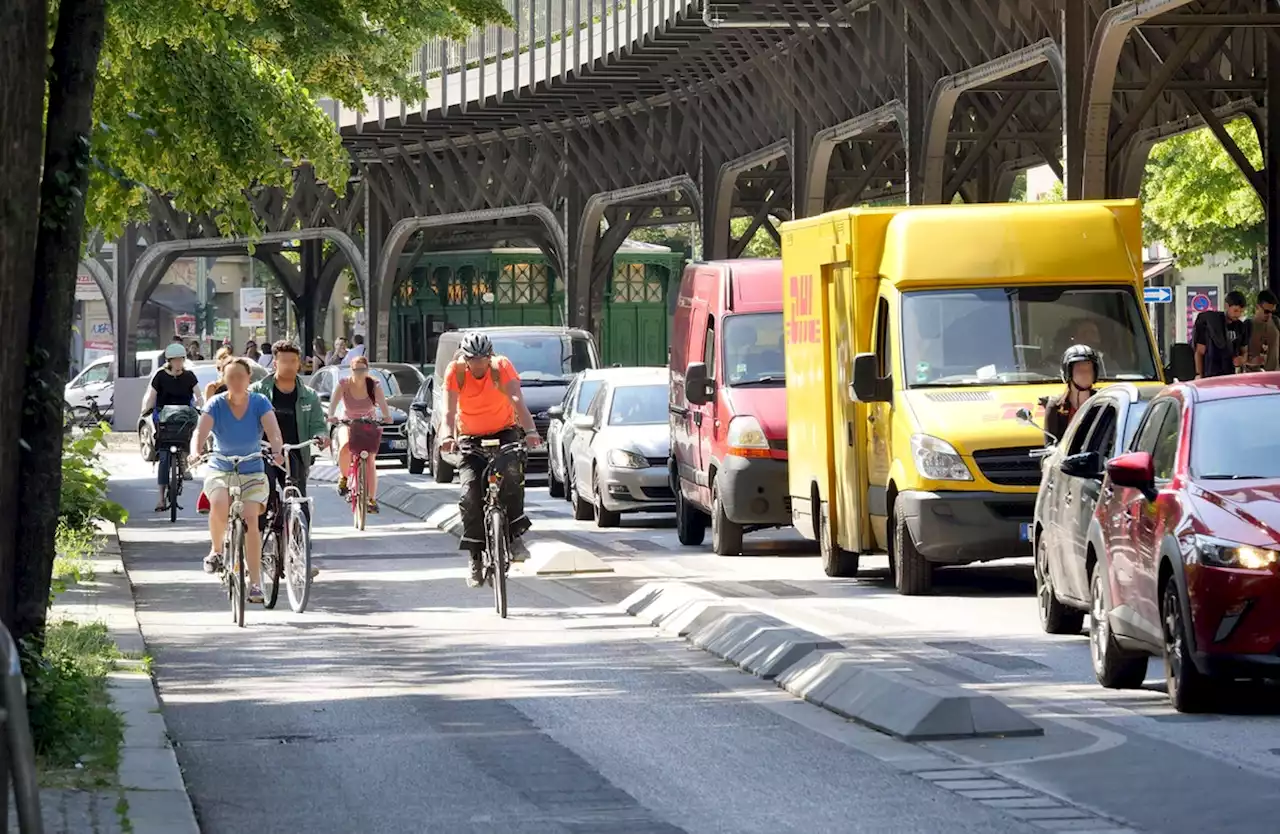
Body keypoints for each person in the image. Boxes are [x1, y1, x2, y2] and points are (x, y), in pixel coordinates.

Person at [438, 332, 544, 588]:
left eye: (483, 358)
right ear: (465, 358)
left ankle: (515, 535)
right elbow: (449, 411)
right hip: (470, 436)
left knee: (512, 472)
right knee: (470, 494)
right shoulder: (456, 372)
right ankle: (475, 556)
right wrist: (447, 436)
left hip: (504, 430)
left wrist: (530, 431)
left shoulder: (501, 367)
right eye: (473, 359)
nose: (478, 364)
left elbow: (517, 400)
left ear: (490, 356)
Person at [189, 358, 285, 603]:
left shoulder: (260, 402)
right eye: (230, 377)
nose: (236, 382)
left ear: (248, 378)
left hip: (252, 468)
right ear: (224, 379)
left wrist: (277, 452)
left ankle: (255, 583)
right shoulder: (216, 404)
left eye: (240, 377)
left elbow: (273, 431)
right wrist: (195, 451)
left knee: (252, 519)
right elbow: (200, 432)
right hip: (221, 466)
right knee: (220, 502)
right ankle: (217, 550)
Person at [252, 340, 329, 507]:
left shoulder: (309, 395)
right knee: (265, 495)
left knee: (299, 501)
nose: (289, 365)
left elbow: (318, 424)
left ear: (299, 364)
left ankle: (299, 530)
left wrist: (321, 435)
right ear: (275, 363)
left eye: (293, 361)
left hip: (295, 453)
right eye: (284, 361)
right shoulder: (257, 391)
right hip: (264, 453)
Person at [326, 355, 391, 512]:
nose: (360, 373)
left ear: (367, 370)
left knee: (369, 459)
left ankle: (371, 499)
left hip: (368, 423)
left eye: (363, 369)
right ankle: (344, 477)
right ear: (351, 370)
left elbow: (382, 403)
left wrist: (386, 416)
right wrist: (331, 415)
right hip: (348, 422)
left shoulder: (374, 384)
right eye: (356, 369)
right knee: (345, 445)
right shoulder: (344, 384)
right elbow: (333, 403)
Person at [141, 343, 202, 511]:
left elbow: (199, 395)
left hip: (183, 418)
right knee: (163, 457)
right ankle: (161, 499)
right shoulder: (160, 376)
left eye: (180, 360)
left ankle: (186, 459)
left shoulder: (189, 376)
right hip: (164, 419)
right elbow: (151, 397)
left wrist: (201, 407)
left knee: (192, 429)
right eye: (175, 360)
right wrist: (145, 411)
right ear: (169, 360)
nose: (178, 363)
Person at [1044, 344, 1099, 446]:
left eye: (1089, 369)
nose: (1085, 374)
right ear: (1068, 373)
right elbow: (1049, 449)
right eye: (1079, 370)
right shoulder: (1055, 406)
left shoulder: (1103, 401)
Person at [1194, 290, 1250, 378]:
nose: (1238, 314)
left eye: (1241, 312)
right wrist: (1199, 374)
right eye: (1235, 311)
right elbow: (1200, 351)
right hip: (1211, 373)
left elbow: (1245, 351)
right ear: (1227, 306)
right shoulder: (1211, 323)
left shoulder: (1241, 327)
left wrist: (1242, 359)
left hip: (1231, 374)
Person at [1247, 290, 1279, 373]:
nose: (1270, 315)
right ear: (1257, 307)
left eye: (1272, 312)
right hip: (1253, 379)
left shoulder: (1276, 322)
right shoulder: (1247, 325)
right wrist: (1250, 362)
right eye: (1266, 311)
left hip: (1274, 377)